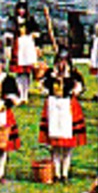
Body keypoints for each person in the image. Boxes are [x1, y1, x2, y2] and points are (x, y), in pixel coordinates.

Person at [38, 51, 87, 182]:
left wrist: (75, 90)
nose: (62, 64)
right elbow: (41, 86)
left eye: (64, 61)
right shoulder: (50, 74)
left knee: (67, 143)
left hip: (68, 106)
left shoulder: (74, 75)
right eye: (60, 61)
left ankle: (65, 172)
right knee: (55, 144)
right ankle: (56, 172)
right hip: (53, 106)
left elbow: (80, 88)